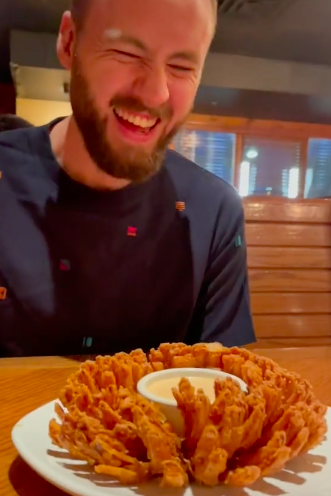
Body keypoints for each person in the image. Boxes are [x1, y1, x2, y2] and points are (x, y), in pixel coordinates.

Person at [0, 0, 256, 357]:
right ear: (70, 42)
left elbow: (224, 388)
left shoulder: (213, 212)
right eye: (126, 52)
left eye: (181, 66)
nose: (156, 93)